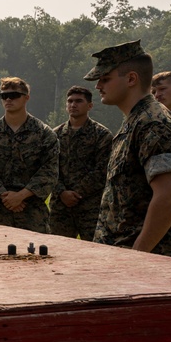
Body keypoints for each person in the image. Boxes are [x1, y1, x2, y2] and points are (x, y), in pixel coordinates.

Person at [86, 40, 171, 257]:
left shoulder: (154, 124)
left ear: (131, 79)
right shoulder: (136, 120)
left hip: (151, 264)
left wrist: (138, 256)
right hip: (125, 256)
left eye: (105, 79)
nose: (98, 86)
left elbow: (169, 197)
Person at [0, 77, 59, 233]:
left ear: (26, 98)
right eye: (4, 96)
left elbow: (49, 171)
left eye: (14, 95)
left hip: (32, 214)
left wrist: (21, 196)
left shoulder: (45, 135)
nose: (8, 99)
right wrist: (5, 197)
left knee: (34, 256)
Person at [49, 86, 112, 240]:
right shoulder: (54, 135)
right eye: (70, 101)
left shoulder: (102, 135)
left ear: (90, 105)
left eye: (78, 101)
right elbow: (48, 168)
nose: (73, 105)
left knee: (92, 254)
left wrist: (76, 193)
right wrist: (62, 192)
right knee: (58, 254)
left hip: (90, 208)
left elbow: (103, 170)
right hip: (60, 209)